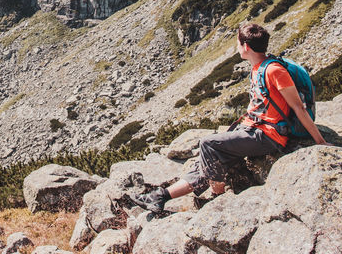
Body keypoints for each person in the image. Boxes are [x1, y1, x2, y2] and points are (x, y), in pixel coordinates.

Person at [131, 22, 327, 212]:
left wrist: (320, 141)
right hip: (254, 129)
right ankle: (160, 196)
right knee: (205, 161)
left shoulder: (274, 70)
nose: (237, 47)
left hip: (268, 135)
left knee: (208, 144)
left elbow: (298, 107)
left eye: (238, 43)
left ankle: (217, 200)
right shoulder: (258, 66)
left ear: (246, 46)